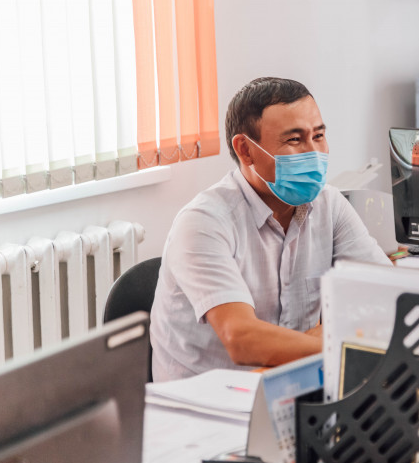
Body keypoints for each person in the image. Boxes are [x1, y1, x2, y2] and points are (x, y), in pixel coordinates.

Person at [150, 77, 391, 381]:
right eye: (295, 140)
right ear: (245, 150)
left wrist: (321, 338)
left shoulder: (329, 204)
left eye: (318, 136)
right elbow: (243, 340)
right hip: (209, 401)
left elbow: (388, 295)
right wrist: (341, 340)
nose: (314, 152)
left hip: (293, 386)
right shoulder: (203, 222)